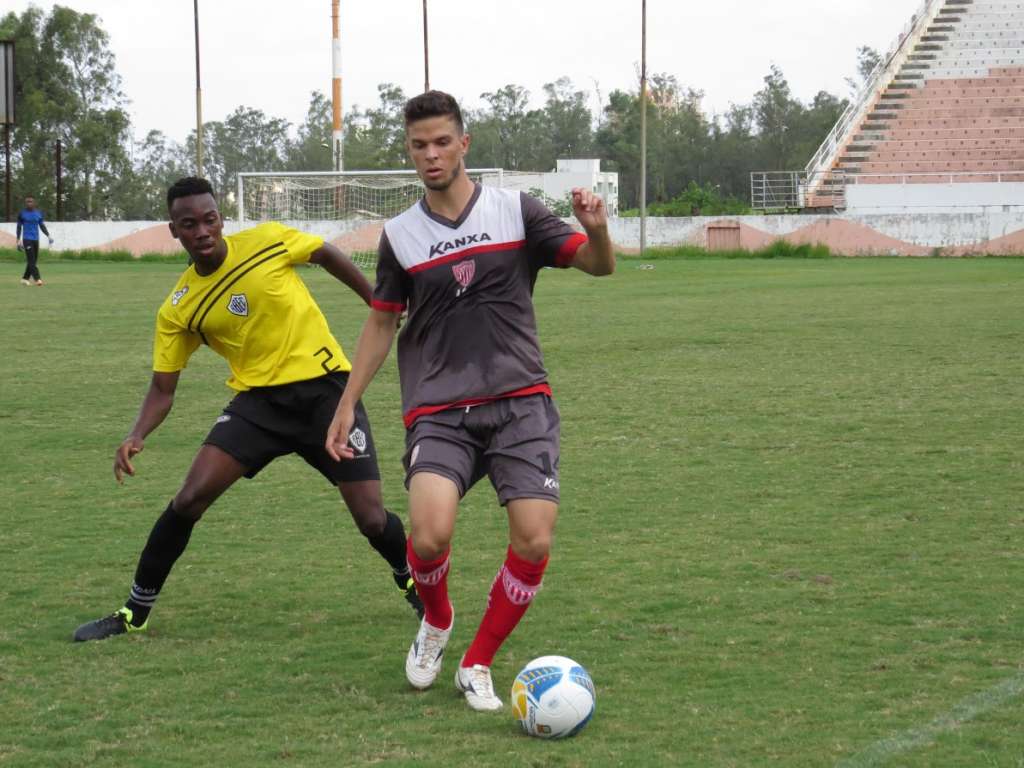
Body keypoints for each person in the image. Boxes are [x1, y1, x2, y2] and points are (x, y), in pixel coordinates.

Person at [325, 91, 615, 711]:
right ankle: (436, 620)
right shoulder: (400, 236)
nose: (430, 156)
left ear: (464, 143)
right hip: (439, 406)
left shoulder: (516, 210)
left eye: (440, 142)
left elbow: (597, 265)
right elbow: (382, 323)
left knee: (535, 539)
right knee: (428, 537)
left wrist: (597, 230)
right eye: (418, 146)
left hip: (520, 400)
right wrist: (348, 401)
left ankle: (478, 662)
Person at [73, 176, 422, 642]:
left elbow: (324, 254)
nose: (202, 231)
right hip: (258, 407)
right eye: (189, 224)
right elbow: (162, 388)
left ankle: (412, 582)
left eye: (210, 219)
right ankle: (134, 611)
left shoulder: (266, 241)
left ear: (221, 218)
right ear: (173, 230)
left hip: (327, 396)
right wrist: (137, 433)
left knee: (372, 518)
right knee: (189, 498)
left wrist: (377, 302)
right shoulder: (179, 308)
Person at [16, 195, 53, 286]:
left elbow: (42, 225)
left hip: (36, 239)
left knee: (33, 261)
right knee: (31, 260)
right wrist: (18, 239)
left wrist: (48, 235)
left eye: (31, 201)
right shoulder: (22, 214)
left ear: (34, 203)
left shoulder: (38, 213)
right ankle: (38, 279)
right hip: (26, 239)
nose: (29, 203)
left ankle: (25, 279)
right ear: (25, 203)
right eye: (27, 202)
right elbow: (19, 227)